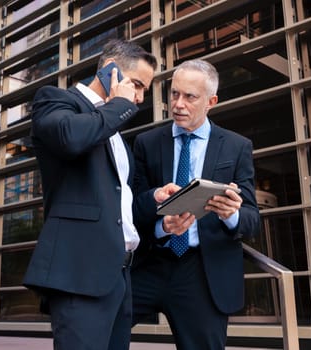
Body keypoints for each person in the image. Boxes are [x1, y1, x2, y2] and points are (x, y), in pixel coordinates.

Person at [22, 39, 157, 350]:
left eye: (143, 91)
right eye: (136, 85)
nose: (138, 98)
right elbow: (70, 138)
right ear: (110, 69)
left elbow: (120, 203)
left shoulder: (115, 134)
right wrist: (119, 105)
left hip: (119, 276)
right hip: (79, 274)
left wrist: (155, 200)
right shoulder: (55, 100)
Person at [131, 59, 261, 349]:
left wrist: (232, 215)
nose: (178, 104)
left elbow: (253, 219)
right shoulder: (146, 143)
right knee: (102, 329)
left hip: (202, 271)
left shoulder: (236, 147)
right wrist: (161, 224)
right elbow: (133, 207)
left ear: (211, 101)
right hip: (150, 262)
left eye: (190, 97)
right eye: (174, 94)